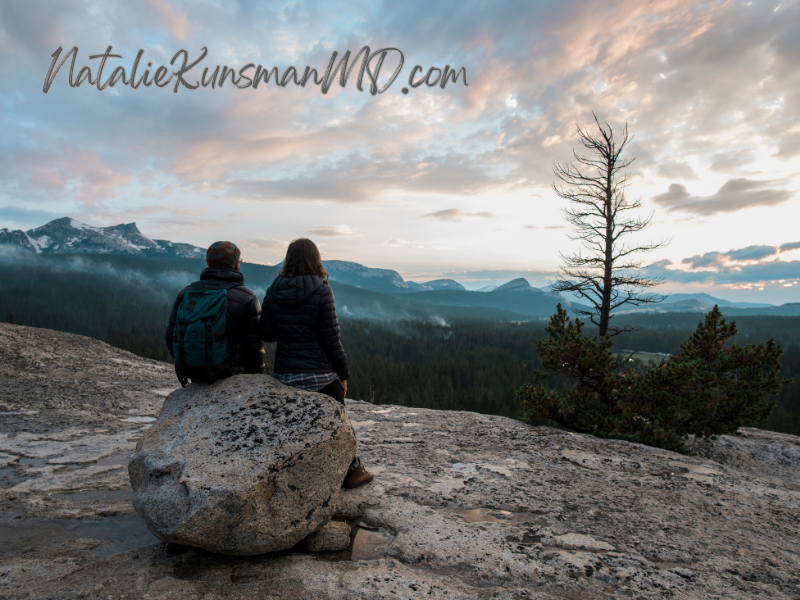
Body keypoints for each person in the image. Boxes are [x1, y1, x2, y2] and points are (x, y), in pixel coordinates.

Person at [258, 238, 373, 489]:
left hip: (285, 375)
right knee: (340, 424)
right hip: (320, 376)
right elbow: (332, 340)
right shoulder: (322, 290)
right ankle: (351, 471)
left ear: (288, 259)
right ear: (316, 259)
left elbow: (267, 334)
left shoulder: (272, 290)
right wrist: (343, 375)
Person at [166, 241, 265, 384]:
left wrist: (193, 363)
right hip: (232, 376)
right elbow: (254, 347)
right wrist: (257, 378)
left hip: (194, 374)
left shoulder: (187, 293)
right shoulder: (247, 297)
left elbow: (171, 335)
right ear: (233, 263)